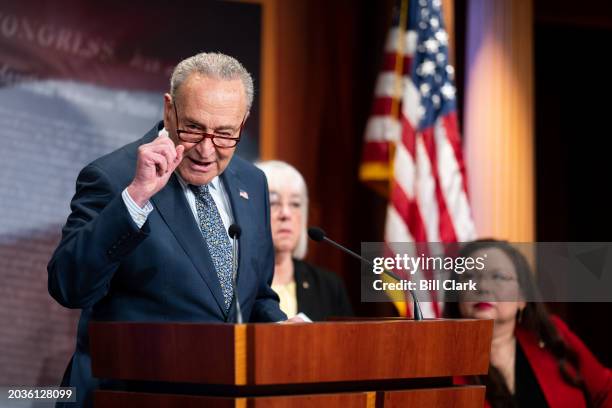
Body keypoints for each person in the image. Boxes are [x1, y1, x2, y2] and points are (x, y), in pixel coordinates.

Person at [47, 52, 287, 407]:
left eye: (224, 134)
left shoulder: (252, 182)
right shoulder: (114, 178)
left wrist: (284, 333)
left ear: (243, 122)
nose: (206, 150)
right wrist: (135, 199)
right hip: (129, 398)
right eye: (193, 128)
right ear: (168, 109)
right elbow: (68, 286)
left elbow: (254, 297)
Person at [444, 239, 612, 407]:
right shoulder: (439, 359)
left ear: (522, 298)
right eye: (469, 276)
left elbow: (606, 390)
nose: (483, 287)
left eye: (498, 276)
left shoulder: (551, 335)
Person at [256, 160, 353, 321]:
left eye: (295, 204)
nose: (286, 214)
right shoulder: (236, 285)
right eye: (273, 202)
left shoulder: (328, 286)